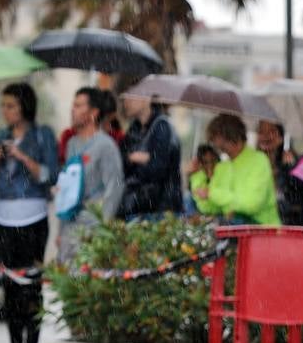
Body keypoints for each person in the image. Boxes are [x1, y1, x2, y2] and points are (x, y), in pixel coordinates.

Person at [0, 82, 58, 343]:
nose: (5, 111)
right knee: (9, 284)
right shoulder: (0, 136)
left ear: (24, 107)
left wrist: (22, 157)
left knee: (30, 285)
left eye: (11, 105)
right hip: (3, 217)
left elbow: (49, 174)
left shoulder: (42, 135)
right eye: (3, 106)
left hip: (32, 216)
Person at [56, 87, 124, 263]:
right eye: (73, 105)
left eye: (78, 106)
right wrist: (60, 231)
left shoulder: (105, 146)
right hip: (70, 228)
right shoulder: (71, 144)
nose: (73, 110)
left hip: (92, 228)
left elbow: (115, 187)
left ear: (93, 112)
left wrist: (103, 228)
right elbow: (68, 189)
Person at [191, 113, 279, 226]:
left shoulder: (258, 161)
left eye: (216, 138)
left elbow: (252, 204)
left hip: (262, 233)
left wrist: (214, 194)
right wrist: (197, 176)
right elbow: (209, 208)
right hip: (233, 231)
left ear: (231, 136)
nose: (215, 144)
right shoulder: (223, 166)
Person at [117, 93, 182, 221]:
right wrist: (135, 158)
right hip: (135, 207)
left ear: (146, 99)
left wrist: (141, 160)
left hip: (161, 209)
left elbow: (157, 169)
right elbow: (121, 163)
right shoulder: (133, 129)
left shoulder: (162, 127)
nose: (126, 102)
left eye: (131, 96)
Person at [256, 119, 303, 225]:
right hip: (260, 225)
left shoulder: (293, 164)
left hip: (288, 225)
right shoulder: (253, 165)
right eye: (261, 131)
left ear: (281, 137)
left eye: (272, 131)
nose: (266, 136)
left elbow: (299, 199)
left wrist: (290, 170)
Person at [186, 144, 219, 218]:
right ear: (200, 163)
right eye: (205, 162)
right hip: (205, 213)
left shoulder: (221, 171)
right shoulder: (198, 177)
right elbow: (202, 199)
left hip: (219, 213)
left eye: (212, 161)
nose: (210, 165)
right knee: (187, 198)